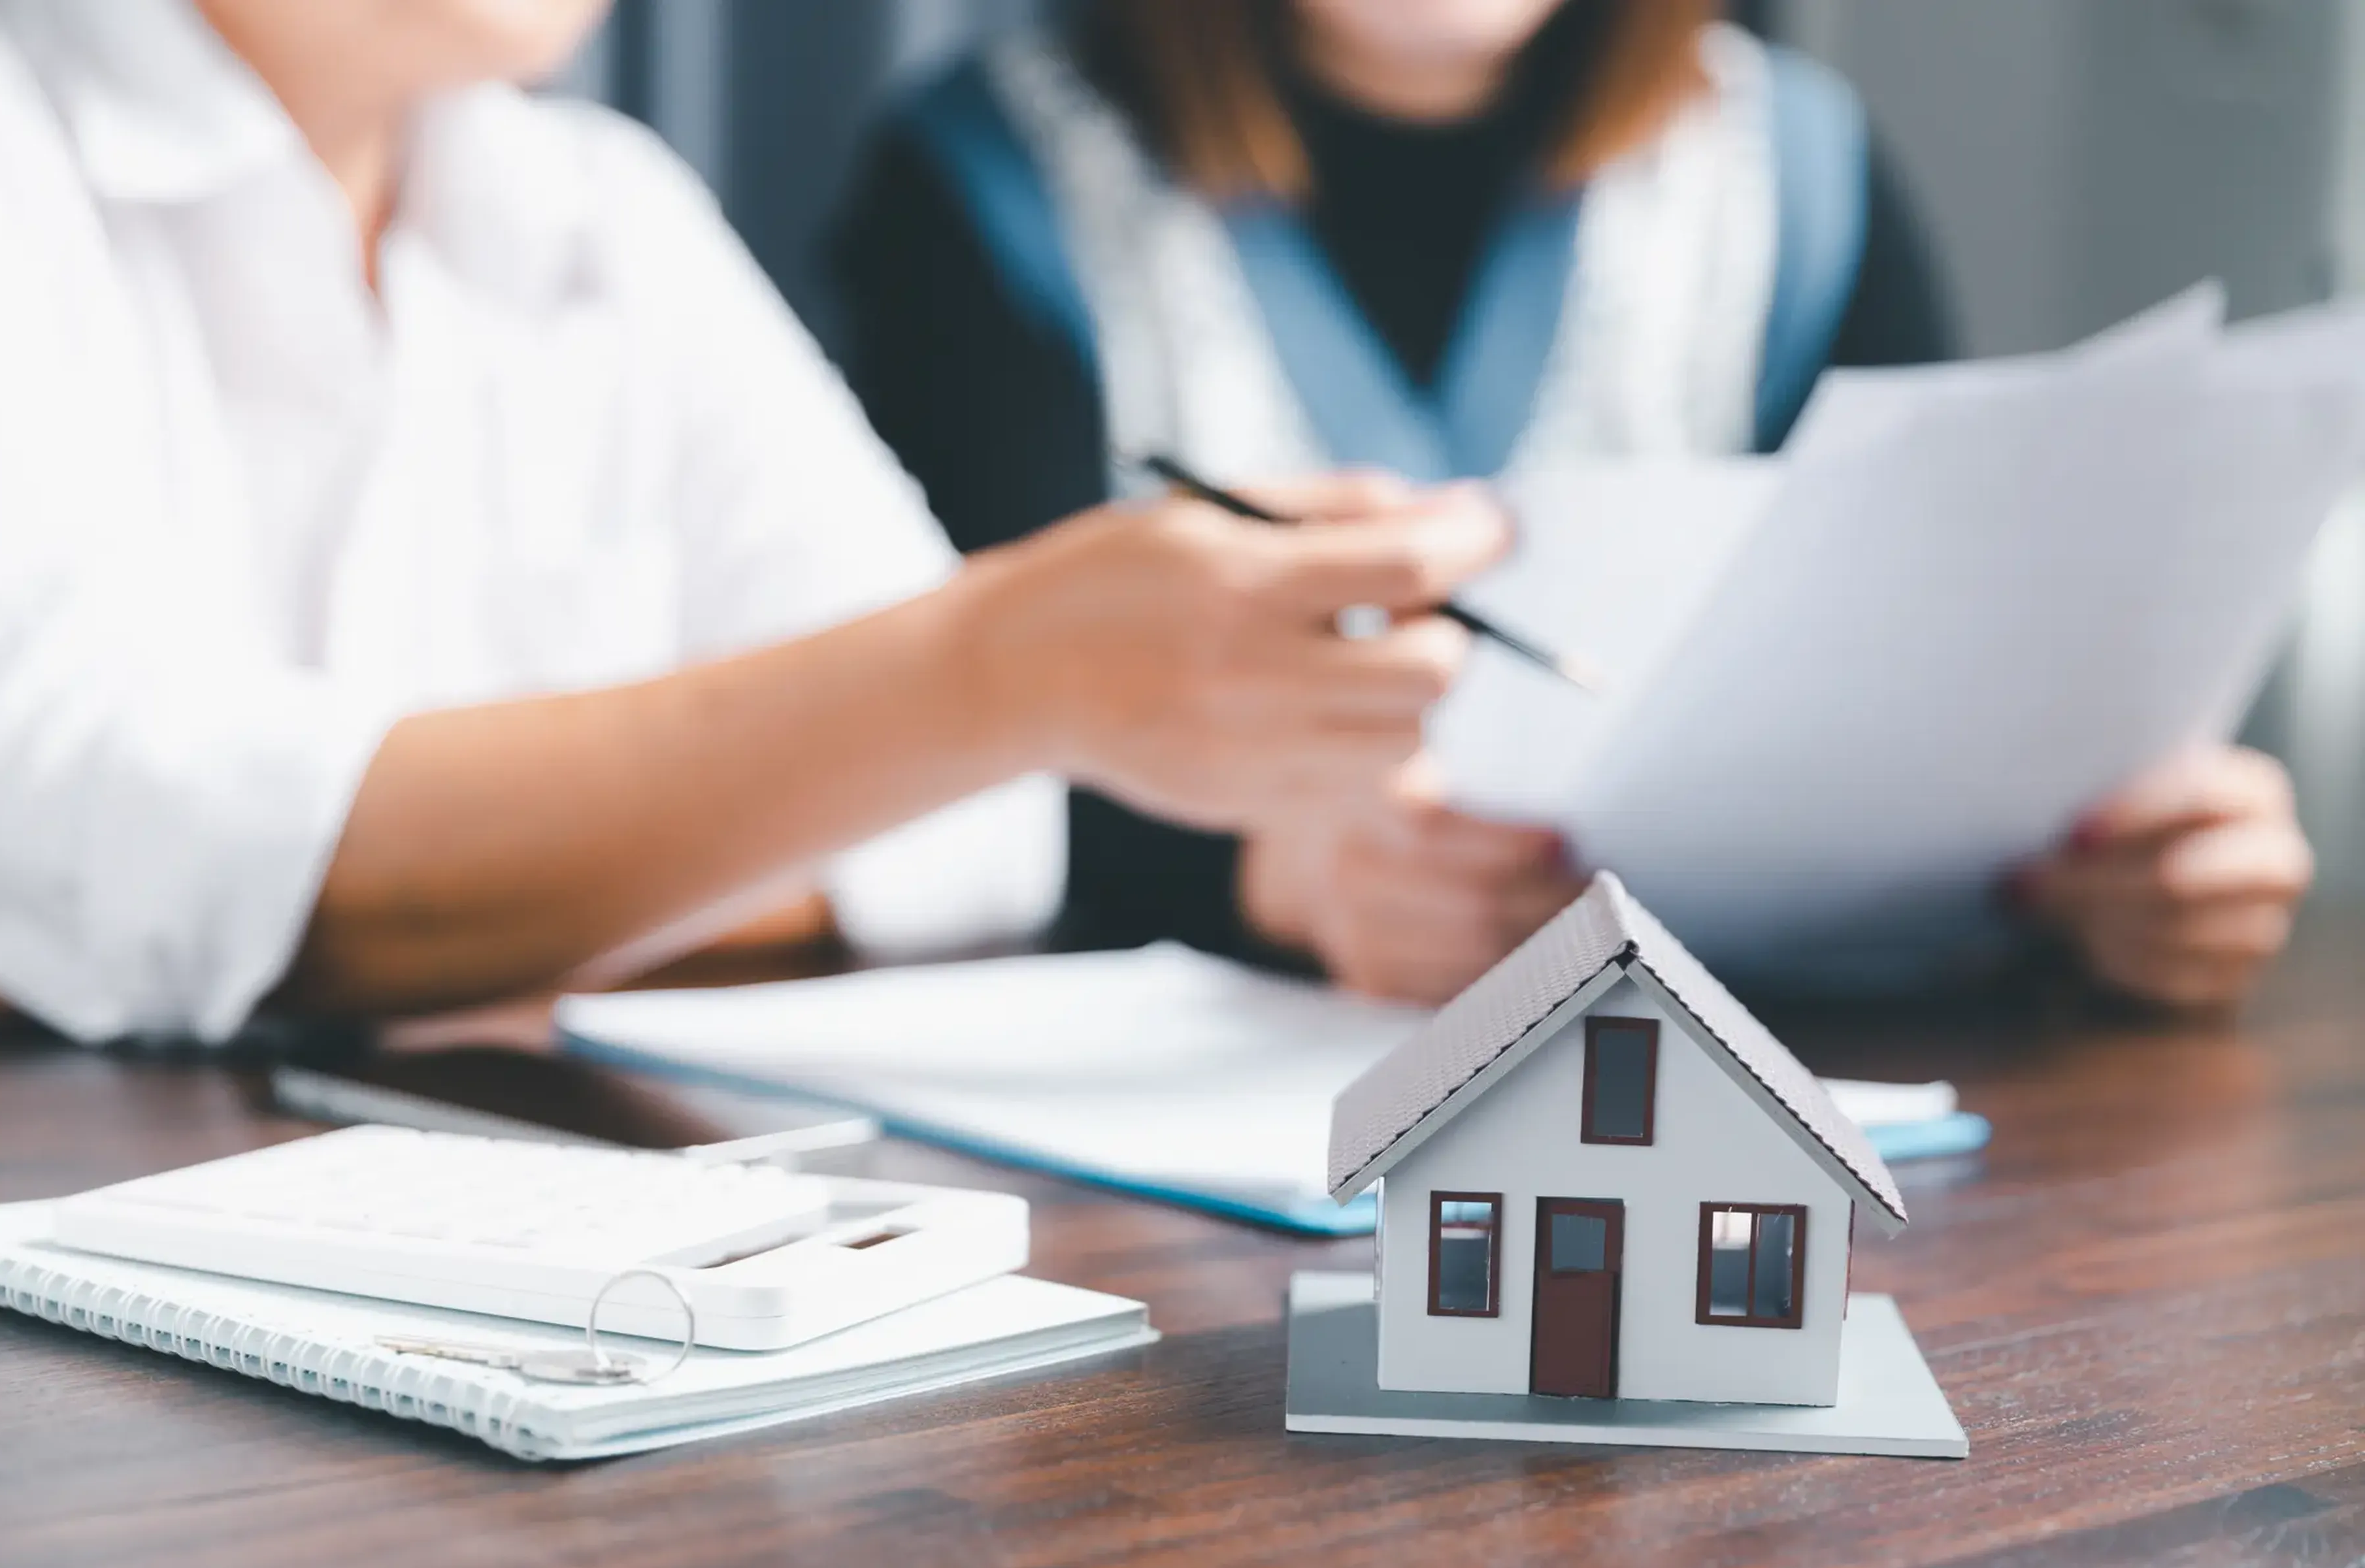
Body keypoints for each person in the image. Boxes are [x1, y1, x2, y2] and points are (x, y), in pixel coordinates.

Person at [0, 0, 1514, 1041]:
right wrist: (969, 683)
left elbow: (971, 838)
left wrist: (282, 912)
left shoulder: (603, 210)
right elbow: (98, 832)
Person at [833, 0, 2313, 1012]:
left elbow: (1942, 685)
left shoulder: (1795, 174)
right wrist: (1269, 874)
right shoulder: (985, 181)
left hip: (1770, 1092)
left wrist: (2099, 864)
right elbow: (917, 773)